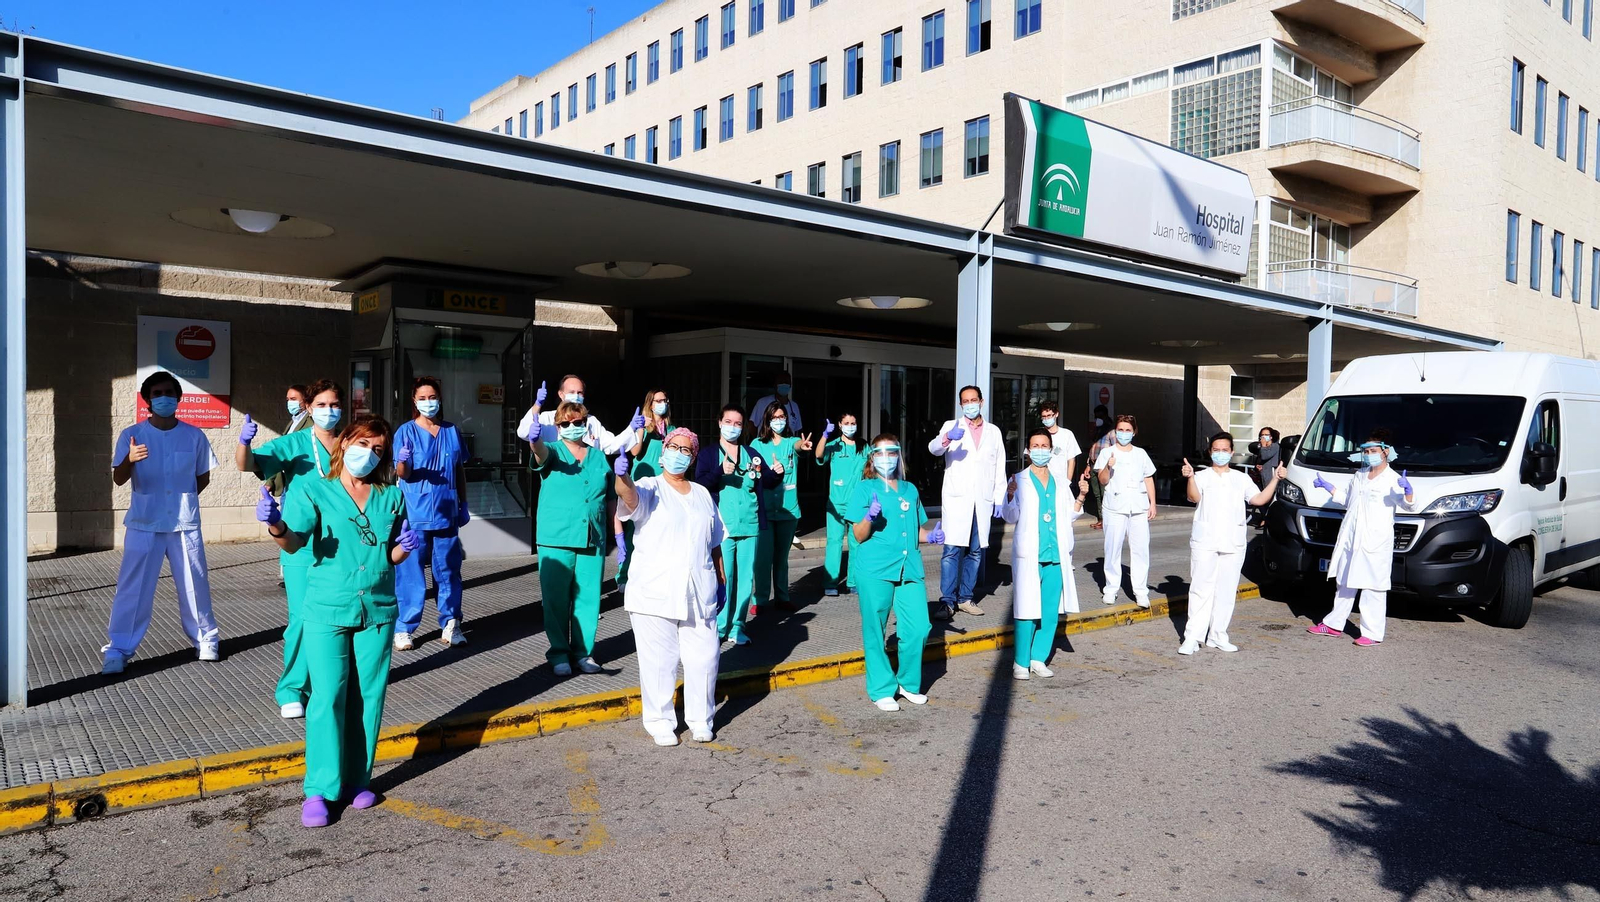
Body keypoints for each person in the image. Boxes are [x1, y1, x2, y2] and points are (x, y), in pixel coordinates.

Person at [255, 414, 420, 829]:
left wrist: (404, 549)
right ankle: (320, 790)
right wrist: (275, 524)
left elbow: (390, 555)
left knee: (369, 698)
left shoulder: (390, 496)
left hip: (377, 610)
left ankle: (356, 780)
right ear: (345, 442)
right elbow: (294, 542)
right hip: (327, 609)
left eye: (378, 449)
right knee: (327, 698)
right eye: (364, 443)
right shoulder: (315, 489)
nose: (369, 453)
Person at [101, 371, 223, 675]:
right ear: (147, 400)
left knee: (194, 582)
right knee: (133, 588)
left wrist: (182, 500)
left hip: (184, 522)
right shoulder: (133, 434)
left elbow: (202, 476)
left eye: (169, 392)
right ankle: (118, 648)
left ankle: (205, 639)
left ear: (178, 397)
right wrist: (130, 459)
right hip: (144, 522)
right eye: (157, 393)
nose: (164, 398)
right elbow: (118, 478)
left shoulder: (194, 435)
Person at [236, 378, 344, 717]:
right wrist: (244, 443)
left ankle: (327, 682)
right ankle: (291, 688)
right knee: (301, 618)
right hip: (298, 540)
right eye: (322, 405)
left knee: (334, 617)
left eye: (335, 405)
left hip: (340, 544)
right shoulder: (296, 442)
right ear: (310, 408)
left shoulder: (351, 443)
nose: (329, 411)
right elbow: (247, 463)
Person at [615, 428, 727, 746]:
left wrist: (721, 578)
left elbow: (715, 539)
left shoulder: (703, 494)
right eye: (673, 446)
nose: (678, 452)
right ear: (663, 451)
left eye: (686, 449)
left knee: (705, 658)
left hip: (699, 590)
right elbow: (629, 498)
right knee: (659, 661)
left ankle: (701, 719)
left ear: (693, 458)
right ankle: (660, 721)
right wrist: (621, 477)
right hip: (655, 591)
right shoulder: (651, 487)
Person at [848, 435, 943, 711]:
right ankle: (881, 689)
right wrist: (869, 517)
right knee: (875, 630)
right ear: (872, 457)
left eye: (892, 452)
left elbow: (917, 532)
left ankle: (908, 683)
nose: (886, 457)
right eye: (881, 453)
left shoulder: (910, 489)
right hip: (875, 569)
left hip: (909, 568)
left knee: (919, 628)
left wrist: (933, 536)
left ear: (899, 455)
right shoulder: (865, 489)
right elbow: (858, 534)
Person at [1308, 428, 1416, 646]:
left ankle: (1373, 633)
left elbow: (1408, 506)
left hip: (1374, 542)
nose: (1369, 455)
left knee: (1372, 587)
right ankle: (1333, 624)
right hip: (1351, 538)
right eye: (1366, 451)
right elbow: (1348, 500)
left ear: (1386, 451)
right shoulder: (1359, 475)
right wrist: (1329, 488)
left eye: (1374, 451)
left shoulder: (1393, 479)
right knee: (1344, 581)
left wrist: (1408, 492)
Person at [1179, 434, 1284, 656]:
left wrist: (1275, 479)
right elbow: (1194, 497)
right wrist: (1189, 477)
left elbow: (1258, 499)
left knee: (1226, 591)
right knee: (1200, 589)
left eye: (1225, 449)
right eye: (1216, 449)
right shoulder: (1201, 476)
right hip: (1205, 540)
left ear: (1231, 451)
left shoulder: (1241, 478)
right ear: (1210, 451)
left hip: (1233, 541)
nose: (1220, 453)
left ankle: (1218, 635)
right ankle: (1193, 637)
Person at [530, 400, 612, 676]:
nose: (572, 427)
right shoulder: (553, 450)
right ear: (558, 427)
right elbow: (540, 455)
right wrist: (535, 441)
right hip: (556, 539)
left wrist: (619, 535)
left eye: (578, 422)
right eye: (565, 423)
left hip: (593, 537)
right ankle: (559, 653)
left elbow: (609, 496)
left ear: (586, 423)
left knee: (589, 599)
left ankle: (583, 652)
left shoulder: (598, 456)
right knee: (555, 600)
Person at [1001, 430, 1090, 680]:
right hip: (1030, 554)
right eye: (1035, 446)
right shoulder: (1018, 479)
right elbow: (1010, 516)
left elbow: (1069, 515)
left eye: (1044, 445)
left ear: (1051, 450)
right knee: (1026, 609)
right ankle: (1021, 661)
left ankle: (1038, 658)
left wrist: (1082, 496)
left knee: (1050, 610)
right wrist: (1009, 496)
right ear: (1027, 451)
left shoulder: (1061, 481)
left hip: (1055, 554)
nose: (1040, 450)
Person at [392, 377, 470, 652]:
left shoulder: (451, 431)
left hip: (447, 512)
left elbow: (459, 469)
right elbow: (402, 474)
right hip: (414, 514)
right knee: (411, 573)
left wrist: (463, 502)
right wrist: (402, 461)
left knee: (449, 570)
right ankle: (404, 627)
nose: (428, 402)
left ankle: (451, 623)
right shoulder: (405, 432)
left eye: (432, 396)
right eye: (422, 398)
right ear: (414, 401)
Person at [927, 385, 1007, 620]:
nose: (970, 404)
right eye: (965, 401)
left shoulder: (993, 431)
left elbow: (999, 466)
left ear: (981, 401)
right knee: (951, 550)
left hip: (981, 501)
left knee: (975, 552)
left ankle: (965, 598)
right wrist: (946, 439)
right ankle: (947, 601)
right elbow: (933, 449)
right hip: (957, 499)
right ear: (961, 404)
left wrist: (999, 497)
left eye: (974, 399)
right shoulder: (951, 426)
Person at [693, 405, 767, 646]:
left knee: (745, 579)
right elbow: (699, 485)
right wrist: (719, 472)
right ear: (719, 423)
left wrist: (776, 471)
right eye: (728, 421)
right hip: (722, 527)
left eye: (737, 423)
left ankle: (737, 626)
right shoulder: (708, 454)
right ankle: (719, 625)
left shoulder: (751, 453)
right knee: (723, 577)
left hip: (749, 524)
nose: (732, 427)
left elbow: (766, 480)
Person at [752, 403, 813, 616]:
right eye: (775, 417)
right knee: (762, 558)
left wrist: (802, 445)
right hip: (765, 511)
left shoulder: (790, 443)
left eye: (782, 416)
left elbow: (798, 446)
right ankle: (760, 599)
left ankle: (782, 597)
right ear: (767, 420)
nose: (779, 420)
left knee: (781, 558)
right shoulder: (757, 444)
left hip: (788, 510)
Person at [1095, 414, 1158, 608]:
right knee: (1112, 548)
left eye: (1128, 430)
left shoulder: (1140, 454)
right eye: (1120, 430)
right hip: (1114, 507)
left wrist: (1153, 503)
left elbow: (1148, 478)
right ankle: (1111, 589)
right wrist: (1108, 466)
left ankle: (1140, 591)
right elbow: (1102, 480)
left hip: (1138, 507)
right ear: (1115, 431)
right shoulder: (1108, 453)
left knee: (1140, 550)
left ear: (1134, 432)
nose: (1124, 433)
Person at [616, 388, 672, 590]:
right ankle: (624, 575)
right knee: (634, 529)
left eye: (665, 400)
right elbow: (635, 451)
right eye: (658, 400)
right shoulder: (644, 426)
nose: (662, 403)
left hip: (663, 482)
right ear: (650, 403)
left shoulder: (670, 428)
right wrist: (641, 428)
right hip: (642, 479)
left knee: (659, 527)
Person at [516, 374, 642, 455]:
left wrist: (631, 429)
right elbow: (523, 432)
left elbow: (611, 445)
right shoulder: (547, 418)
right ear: (561, 394)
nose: (576, 396)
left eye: (580, 392)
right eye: (571, 392)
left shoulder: (592, 421)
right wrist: (537, 404)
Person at [814, 413, 865, 596]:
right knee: (834, 542)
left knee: (856, 543)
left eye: (853, 423)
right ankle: (830, 582)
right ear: (840, 425)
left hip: (858, 504)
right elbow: (819, 454)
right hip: (836, 504)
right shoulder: (834, 445)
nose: (850, 426)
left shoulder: (863, 446)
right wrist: (825, 435)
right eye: (846, 423)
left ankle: (854, 581)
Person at [1085, 405, 1115, 530]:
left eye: (1099, 416)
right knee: (1097, 493)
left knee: (1104, 492)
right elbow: (1093, 445)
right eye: (1096, 415)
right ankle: (1101, 518)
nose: (1097, 418)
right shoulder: (1097, 430)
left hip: (1103, 465)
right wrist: (1088, 464)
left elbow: (1116, 448)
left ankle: (1107, 519)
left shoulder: (1111, 430)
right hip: (1093, 463)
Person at [1039, 401, 1081, 485]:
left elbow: (1071, 460)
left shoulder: (1067, 434)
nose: (1046, 419)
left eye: (1049, 416)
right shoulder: (1038, 434)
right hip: (1041, 480)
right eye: (1043, 417)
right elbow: (1029, 455)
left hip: (1061, 482)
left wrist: (1068, 481)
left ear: (1056, 414)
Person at [751, 371, 803, 435]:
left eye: (786, 382)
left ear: (790, 385)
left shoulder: (794, 406)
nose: (784, 384)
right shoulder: (762, 403)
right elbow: (752, 425)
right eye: (781, 382)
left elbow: (797, 430)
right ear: (775, 385)